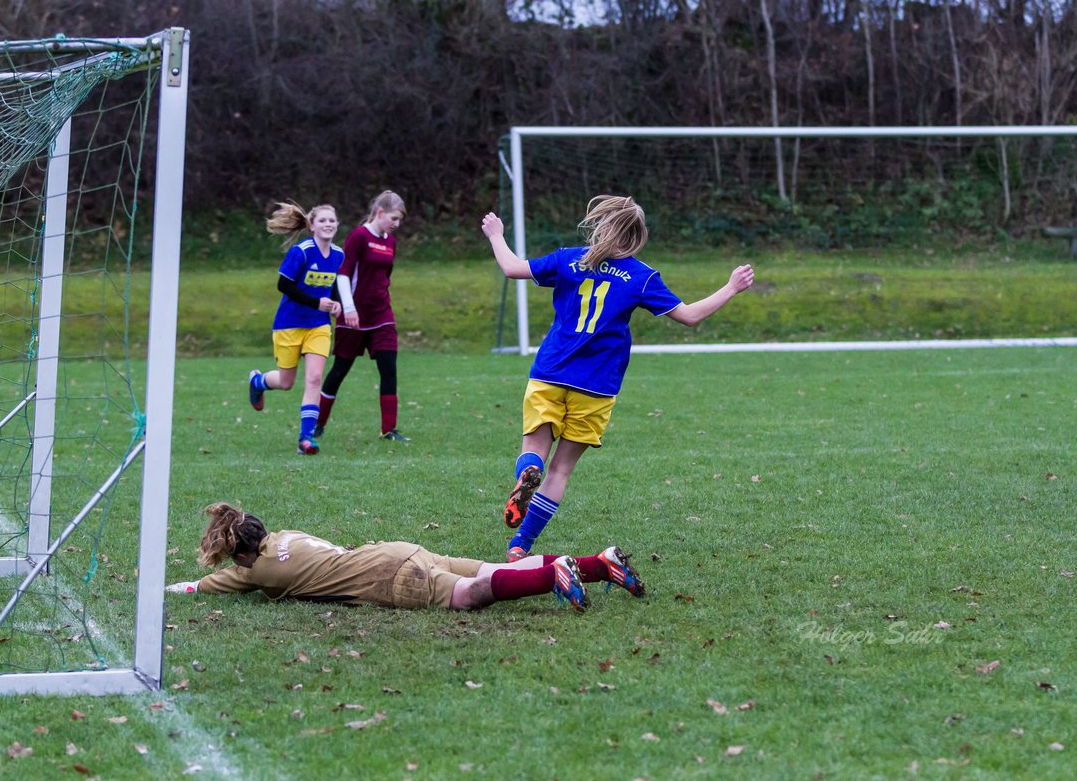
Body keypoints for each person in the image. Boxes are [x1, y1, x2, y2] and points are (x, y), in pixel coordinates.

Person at [482, 195, 754, 562]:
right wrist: (732, 287)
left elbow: (513, 268)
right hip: (596, 386)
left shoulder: (568, 258)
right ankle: (520, 546)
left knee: (535, 453)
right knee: (561, 470)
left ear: (600, 225)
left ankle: (527, 472)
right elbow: (689, 316)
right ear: (637, 234)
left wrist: (497, 234)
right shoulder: (641, 276)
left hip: (549, 374)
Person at [165, 503, 647, 612]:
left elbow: (216, 583)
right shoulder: (285, 536)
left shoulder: (261, 572)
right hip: (398, 548)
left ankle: (554, 576)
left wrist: (180, 587)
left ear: (243, 554)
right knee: (492, 569)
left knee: (465, 597)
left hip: (388, 574)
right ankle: (599, 562)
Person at [248, 201, 344, 455]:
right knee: (287, 381)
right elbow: (284, 285)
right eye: (322, 221)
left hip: (318, 326)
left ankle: (306, 439)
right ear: (312, 225)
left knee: (313, 379)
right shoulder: (301, 252)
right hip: (289, 324)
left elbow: (330, 285)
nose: (328, 225)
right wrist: (316, 302)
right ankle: (258, 381)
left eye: (332, 221)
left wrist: (336, 304)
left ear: (337, 225)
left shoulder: (338, 254)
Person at [314, 190, 410, 443]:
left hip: (382, 315)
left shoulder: (390, 241)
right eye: (394, 218)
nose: (396, 224)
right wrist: (348, 308)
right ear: (380, 213)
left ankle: (389, 430)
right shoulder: (358, 236)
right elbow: (344, 274)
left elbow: (384, 278)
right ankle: (318, 423)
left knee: (389, 369)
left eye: (399, 220)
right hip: (353, 316)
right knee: (339, 370)